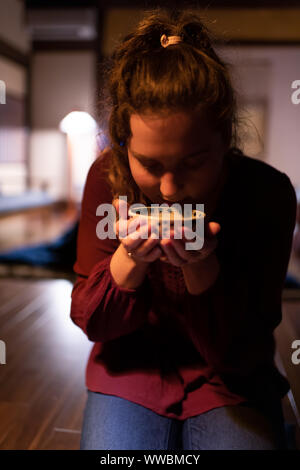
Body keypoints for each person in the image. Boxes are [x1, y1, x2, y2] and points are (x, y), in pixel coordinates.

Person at [70, 8, 297, 450]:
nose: (171, 189)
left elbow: (242, 350)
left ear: (225, 138)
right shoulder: (107, 178)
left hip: (232, 377)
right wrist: (129, 258)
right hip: (129, 369)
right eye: (150, 165)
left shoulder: (266, 193)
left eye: (194, 162)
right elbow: (92, 322)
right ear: (122, 142)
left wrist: (201, 269)